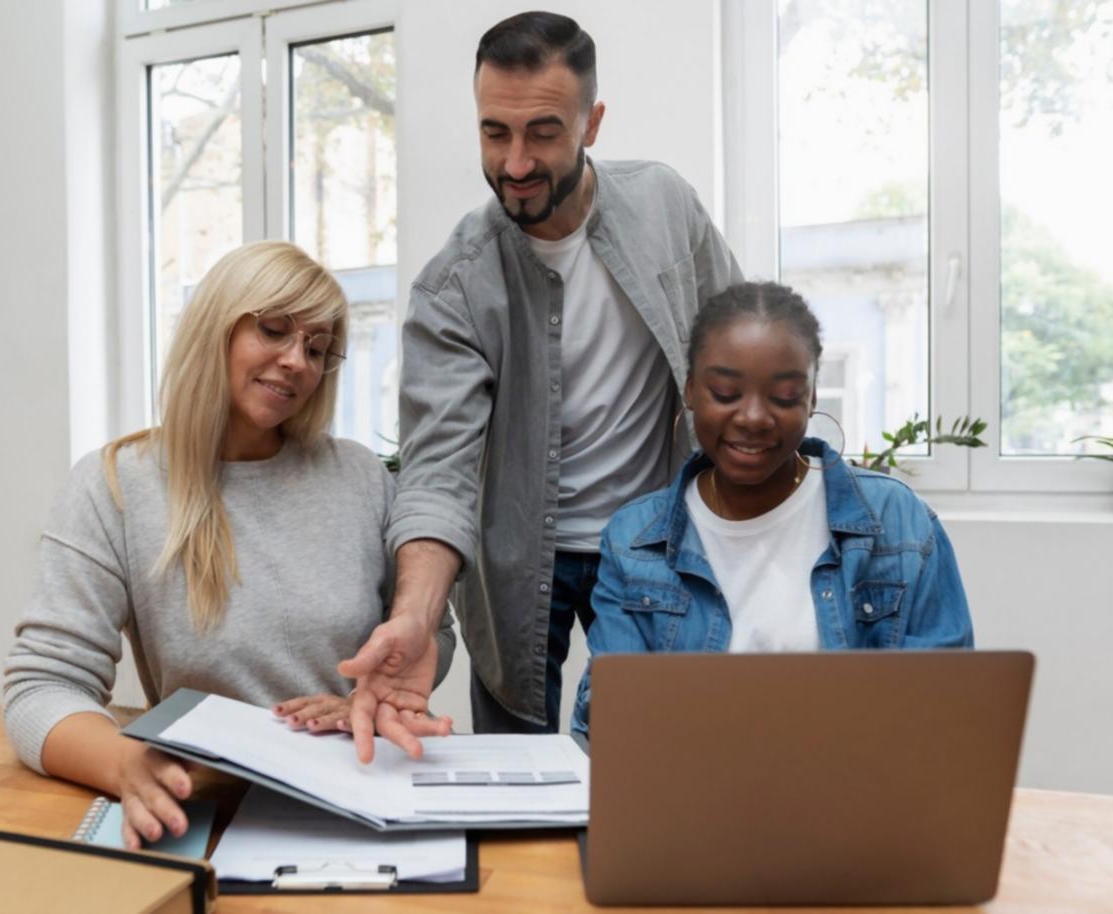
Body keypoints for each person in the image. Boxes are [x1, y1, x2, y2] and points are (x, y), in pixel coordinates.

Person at [339, 11, 741, 756]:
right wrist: (416, 615)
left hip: (653, 538)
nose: (515, 162)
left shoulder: (664, 205)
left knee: (658, 757)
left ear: (592, 123)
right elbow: (438, 473)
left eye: (543, 133)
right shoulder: (455, 285)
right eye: (495, 132)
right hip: (518, 563)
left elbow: (738, 344)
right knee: (513, 785)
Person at [2, 241, 454, 847]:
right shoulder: (115, 484)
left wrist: (366, 702)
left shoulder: (360, 476)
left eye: (317, 348)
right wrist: (124, 764)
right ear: (215, 326)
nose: (297, 360)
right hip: (209, 812)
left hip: (362, 797)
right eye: (274, 330)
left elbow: (430, 634)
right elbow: (42, 688)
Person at [569, 281, 975, 736]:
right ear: (689, 391)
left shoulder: (896, 522)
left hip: (861, 797)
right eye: (725, 393)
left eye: (783, 397)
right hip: (694, 799)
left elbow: (944, 713)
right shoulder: (634, 540)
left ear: (812, 398)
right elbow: (614, 727)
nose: (754, 418)